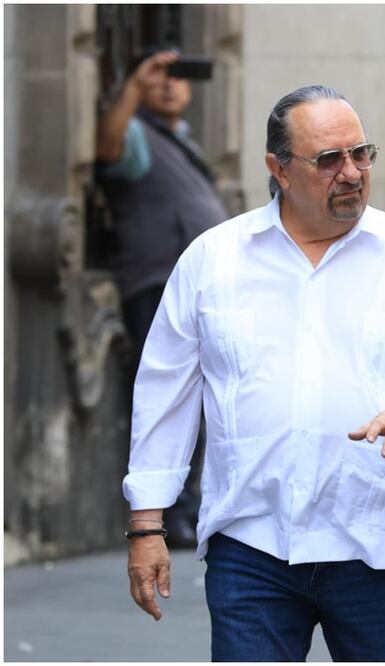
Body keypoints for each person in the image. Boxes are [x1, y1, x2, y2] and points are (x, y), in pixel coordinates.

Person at [122, 84, 385, 662]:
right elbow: (164, 392)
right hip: (252, 547)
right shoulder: (214, 259)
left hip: (377, 545)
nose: (351, 173)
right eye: (328, 160)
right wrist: (147, 525)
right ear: (279, 169)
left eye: (361, 154)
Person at [97, 48, 230, 548]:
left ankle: (189, 506)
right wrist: (134, 87)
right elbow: (107, 147)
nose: (169, 84)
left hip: (198, 286)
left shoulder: (181, 139)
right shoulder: (136, 133)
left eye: (177, 76)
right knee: (169, 400)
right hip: (158, 281)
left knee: (204, 399)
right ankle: (165, 514)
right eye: (157, 76)